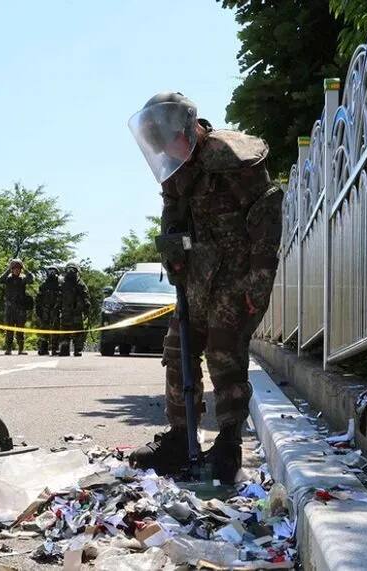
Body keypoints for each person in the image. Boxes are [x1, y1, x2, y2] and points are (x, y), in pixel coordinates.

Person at [126, 92, 282, 484]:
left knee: (224, 355)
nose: (169, 151)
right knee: (177, 349)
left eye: (171, 141)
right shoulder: (174, 167)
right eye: (162, 146)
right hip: (196, 278)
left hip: (236, 276)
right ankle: (181, 438)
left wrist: (258, 283)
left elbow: (267, 216)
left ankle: (228, 445)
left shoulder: (234, 157)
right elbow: (172, 214)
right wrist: (173, 253)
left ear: (189, 128)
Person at [0, 258, 34, 355]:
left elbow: (32, 279)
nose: (17, 270)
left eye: (19, 268)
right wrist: (8, 269)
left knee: (20, 330)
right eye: (15, 268)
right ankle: (8, 348)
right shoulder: (8, 278)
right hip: (10, 309)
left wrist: (25, 268)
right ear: (12, 269)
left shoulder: (23, 278)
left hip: (21, 308)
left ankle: (21, 349)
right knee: (9, 329)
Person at [59, 264, 90, 357]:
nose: (71, 272)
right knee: (65, 330)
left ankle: (77, 349)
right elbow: (59, 296)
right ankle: (64, 348)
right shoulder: (63, 283)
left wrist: (86, 306)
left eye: (73, 270)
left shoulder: (80, 283)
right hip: (65, 311)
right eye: (69, 270)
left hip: (77, 311)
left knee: (78, 330)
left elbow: (86, 296)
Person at [35, 266, 62, 355]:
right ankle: (43, 348)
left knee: (56, 329)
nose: (51, 273)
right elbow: (38, 298)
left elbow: (64, 297)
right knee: (44, 329)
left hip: (56, 309)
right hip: (45, 309)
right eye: (50, 271)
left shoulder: (60, 284)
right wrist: (38, 309)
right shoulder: (44, 285)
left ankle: (55, 348)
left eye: (53, 271)